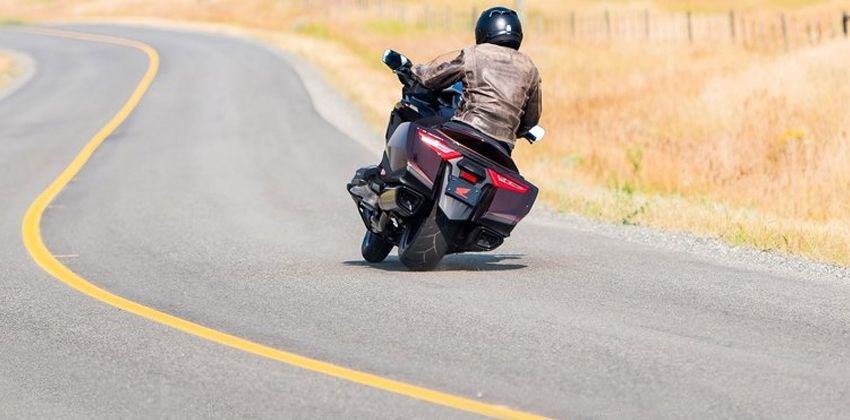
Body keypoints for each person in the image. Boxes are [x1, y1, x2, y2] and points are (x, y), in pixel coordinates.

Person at [408, 5, 542, 156]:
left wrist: (414, 70)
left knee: (417, 127)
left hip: (466, 130)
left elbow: (433, 78)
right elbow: (531, 119)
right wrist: (514, 130)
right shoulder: (531, 68)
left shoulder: (475, 54)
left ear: (483, 30)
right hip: (502, 148)